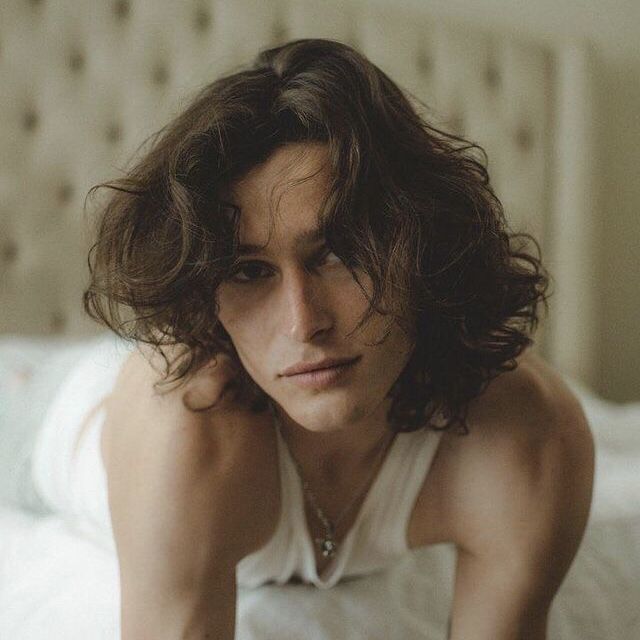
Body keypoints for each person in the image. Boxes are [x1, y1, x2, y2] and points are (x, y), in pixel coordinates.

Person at [77, 38, 594, 639]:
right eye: (249, 271)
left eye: (340, 254)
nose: (304, 323)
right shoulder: (185, 427)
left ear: (421, 246)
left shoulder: (531, 435)